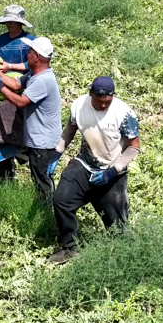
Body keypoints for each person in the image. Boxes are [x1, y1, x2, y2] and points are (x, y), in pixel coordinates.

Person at [50, 76, 141, 264]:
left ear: (113, 96)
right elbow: (70, 129)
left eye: (106, 101)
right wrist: (57, 152)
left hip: (113, 168)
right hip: (84, 163)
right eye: (98, 100)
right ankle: (69, 247)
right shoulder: (79, 105)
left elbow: (134, 147)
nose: (101, 105)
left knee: (118, 225)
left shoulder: (124, 113)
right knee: (61, 200)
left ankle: (123, 255)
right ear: (91, 94)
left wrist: (113, 171)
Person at [0, 37, 61, 199]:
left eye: (29, 52)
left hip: (43, 141)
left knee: (41, 180)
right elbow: (16, 84)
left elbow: (21, 102)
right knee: (40, 176)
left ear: (36, 56)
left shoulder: (43, 80)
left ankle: (47, 211)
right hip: (38, 137)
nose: (26, 55)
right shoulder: (34, 74)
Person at [0, 5, 37, 74]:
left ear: (20, 23)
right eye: (7, 21)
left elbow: (34, 64)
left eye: (12, 22)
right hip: (2, 78)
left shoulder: (31, 41)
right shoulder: (0, 40)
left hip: (25, 80)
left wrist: (10, 66)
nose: (9, 24)